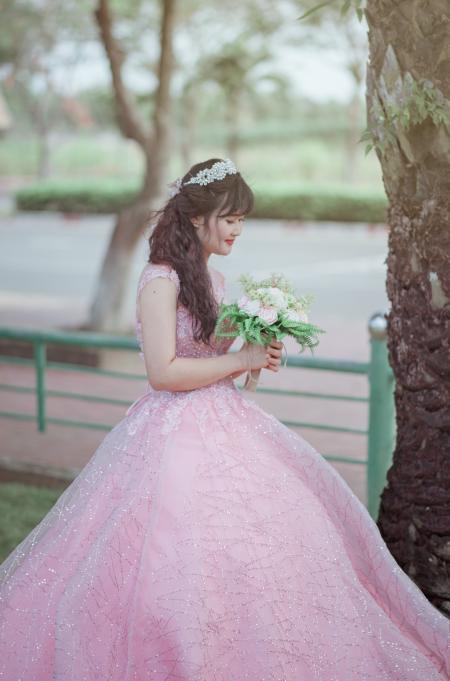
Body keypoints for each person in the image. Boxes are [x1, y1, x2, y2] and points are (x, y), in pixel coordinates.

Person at [0, 157, 448, 681]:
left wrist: (256, 351)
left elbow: (221, 369)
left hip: (227, 423)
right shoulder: (159, 281)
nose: (238, 230)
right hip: (169, 434)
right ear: (197, 218)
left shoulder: (214, 279)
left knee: (256, 550)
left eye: (242, 220)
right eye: (230, 219)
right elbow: (164, 373)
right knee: (170, 557)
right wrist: (240, 359)